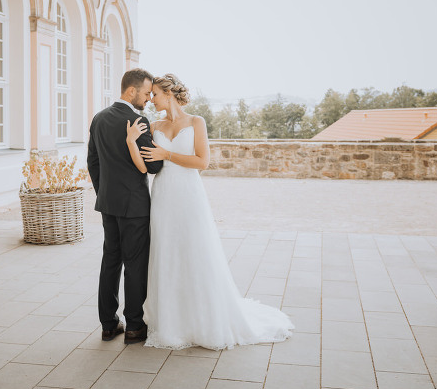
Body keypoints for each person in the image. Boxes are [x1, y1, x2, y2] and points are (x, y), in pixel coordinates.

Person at [126, 73, 294, 350]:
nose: (152, 99)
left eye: (155, 94)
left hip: (189, 195)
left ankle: (203, 318)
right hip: (163, 196)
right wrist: (132, 142)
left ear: (169, 94)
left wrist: (167, 154)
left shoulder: (196, 122)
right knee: (166, 252)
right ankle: (172, 321)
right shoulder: (153, 126)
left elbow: (202, 162)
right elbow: (145, 166)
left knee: (195, 250)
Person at [87, 68, 163, 345]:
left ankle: (108, 325)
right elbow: (154, 165)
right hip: (135, 206)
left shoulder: (99, 118)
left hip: (108, 204)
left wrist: (105, 193)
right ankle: (134, 326)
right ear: (131, 91)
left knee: (110, 261)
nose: (148, 98)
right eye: (146, 93)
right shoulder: (137, 120)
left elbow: (93, 162)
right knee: (135, 264)